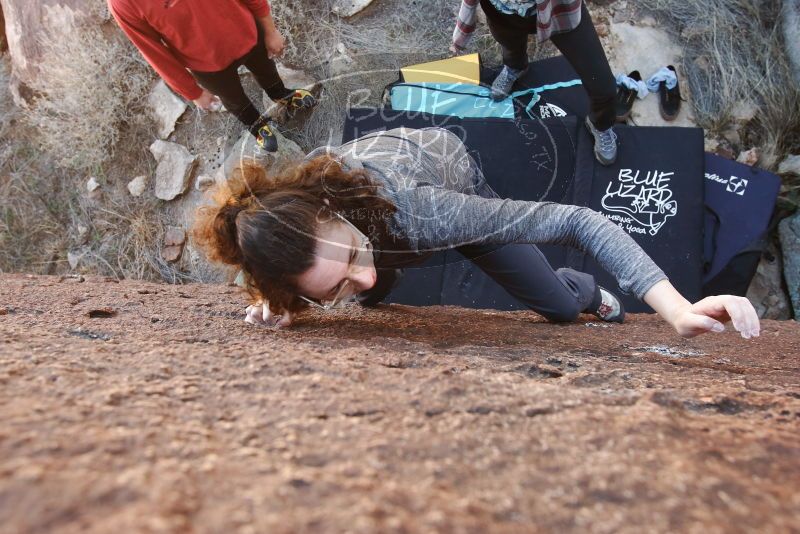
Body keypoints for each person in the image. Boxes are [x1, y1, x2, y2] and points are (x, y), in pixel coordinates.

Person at [193, 127, 760, 339]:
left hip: (443, 172)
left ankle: (583, 291)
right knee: (371, 292)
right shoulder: (279, 230)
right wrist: (283, 304)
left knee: (559, 310)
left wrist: (677, 308)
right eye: (333, 285)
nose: (360, 277)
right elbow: (276, 263)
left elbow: (578, 220)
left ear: (334, 214)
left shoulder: (429, 213)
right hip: (382, 203)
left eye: (353, 258)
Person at [108, 0, 316, 152]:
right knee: (235, 101)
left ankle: (282, 96)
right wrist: (193, 92)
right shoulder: (123, 4)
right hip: (206, 65)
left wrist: (270, 30)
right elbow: (155, 52)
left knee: (267, 71)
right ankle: (258, 127)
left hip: (246, 31)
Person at [451, 0, 619, 165]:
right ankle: (515, 67)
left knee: (605, 88)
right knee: (511, 48)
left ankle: (600, 124)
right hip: (501, 9)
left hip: (559, 10)